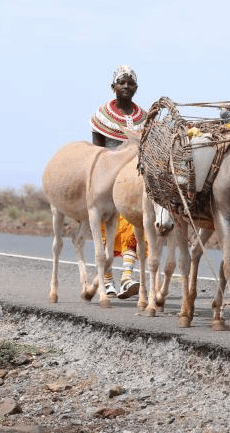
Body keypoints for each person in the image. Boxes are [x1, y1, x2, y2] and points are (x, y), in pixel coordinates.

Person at [91, 64, 146, 299]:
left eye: (130, 83)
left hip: (135, 179)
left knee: (134, 222)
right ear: (113, 86)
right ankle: (107, 279)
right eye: (122, 82)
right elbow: (96, 152)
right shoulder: (101, 116)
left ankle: (126, 277)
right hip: (108, 177)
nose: (126, 86)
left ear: (136, 87)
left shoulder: (143, 117)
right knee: (108, 225)